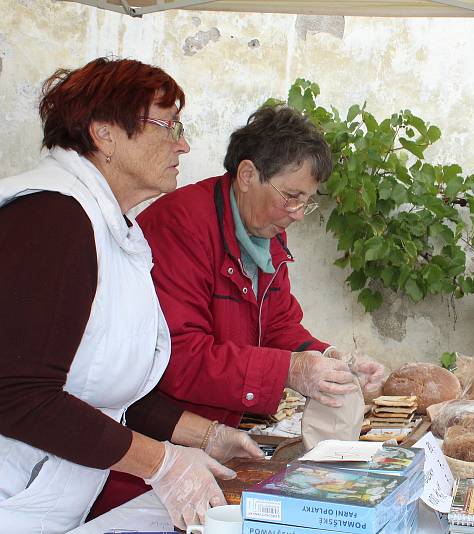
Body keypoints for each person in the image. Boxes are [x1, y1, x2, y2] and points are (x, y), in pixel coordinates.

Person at [0, 57, 262, 534]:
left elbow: (109, 390)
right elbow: (17, 395)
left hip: (47, 500)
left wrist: (209, 438)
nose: (182, 144)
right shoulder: (52, 218)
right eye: (168, 125)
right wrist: (160, 462)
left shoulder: (112, 228)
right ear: (104, 134)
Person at [91, 105, 385, 514]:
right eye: (292, 196)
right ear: (247, 175)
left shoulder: (264, 235)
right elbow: (179, 355)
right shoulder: (182, 227)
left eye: (307, 202)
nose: (299, 214)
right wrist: (290, 371)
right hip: (148, 451)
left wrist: (328, 358)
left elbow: (280, 323)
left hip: (214, 441)